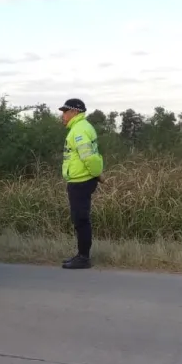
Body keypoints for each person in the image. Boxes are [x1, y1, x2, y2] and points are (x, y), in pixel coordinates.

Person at [58, 98, 103, 270]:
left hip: (81, 181)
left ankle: (83, 258)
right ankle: (81, 255)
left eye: (65, 111)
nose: (63, 115)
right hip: (80, 179)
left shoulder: (79, 130)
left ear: (74, 112)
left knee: (81, 220)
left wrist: (97, 174)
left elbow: (89, 157)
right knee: (79, 219)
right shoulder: (81, 127)